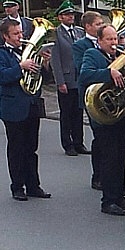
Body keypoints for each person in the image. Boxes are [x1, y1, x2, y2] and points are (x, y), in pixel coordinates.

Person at [79, 24, 125, 216]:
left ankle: (119, 195)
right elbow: (84, 75)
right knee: (109, 158)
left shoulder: (119, 57)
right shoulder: (92, 54)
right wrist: (109, 72)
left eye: (115, 39)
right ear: (99, 41)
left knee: (122, 156)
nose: (114, 43)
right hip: (103, 116)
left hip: (120, 114)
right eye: (109, 39)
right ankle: (108, 200)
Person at [0, 18, 50, 201]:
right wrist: (20, 67)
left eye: (21, 33)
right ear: (6, 36)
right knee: (16, 148)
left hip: (31, 105)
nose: (20, 37)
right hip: (13, 107)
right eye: (16, 34)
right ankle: (17, 186)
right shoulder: (2, 53)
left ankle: (33, 185)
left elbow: (43, 78)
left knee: (31, 147)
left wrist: (44, 64)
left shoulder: (28, 51)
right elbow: (2, 76)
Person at [51, 2, 90, 157]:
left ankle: (79, 143)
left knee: (78, 112)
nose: (71, 17)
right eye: (67, 15)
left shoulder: (80, 32)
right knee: (66, 113)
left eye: (72, 14)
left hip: (79, 79)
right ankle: (68, 144)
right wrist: (60, 81)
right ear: (60, 17)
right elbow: (55, 60)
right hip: (66, 78)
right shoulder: (56, 33)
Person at [73, 10, 104, 190]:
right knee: (99, 137)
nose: (100, 27)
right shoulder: (80, 45)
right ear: (88, 26)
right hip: (91, 96)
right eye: (98, 24)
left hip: (108, 96)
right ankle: (97, 175)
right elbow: (81, 69)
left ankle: (109, 175)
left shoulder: (111, 44)